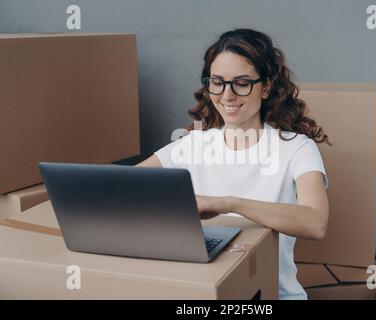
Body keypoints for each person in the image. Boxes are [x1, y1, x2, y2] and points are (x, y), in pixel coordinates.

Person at [137, 28, 330, 300]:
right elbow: (126, 186)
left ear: (266, 87)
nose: (226, 96)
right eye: (217, 82)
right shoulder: (193, 144)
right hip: (203, 292)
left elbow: (315, 222)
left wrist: (229, 203)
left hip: (271, 296)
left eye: (241, 83)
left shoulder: (296, 147)